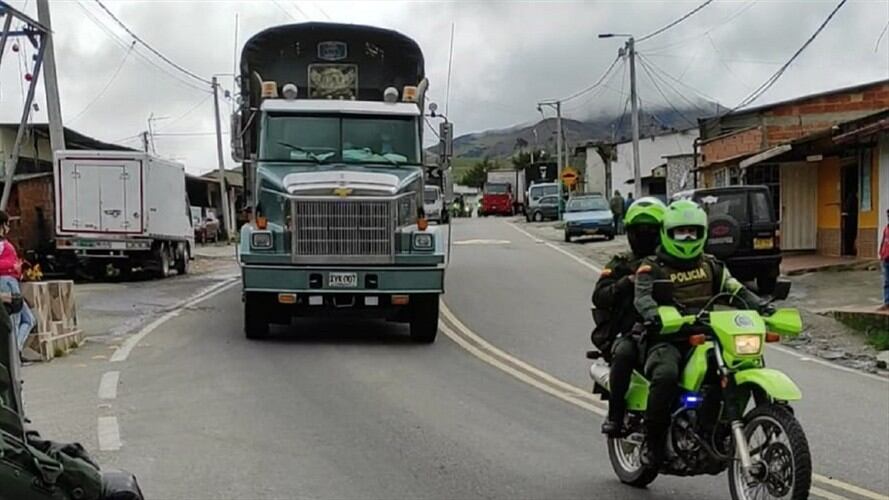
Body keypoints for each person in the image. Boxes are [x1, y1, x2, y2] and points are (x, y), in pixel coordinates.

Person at [633, 199, 768, 466]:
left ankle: (715, 428)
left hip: (707, 335)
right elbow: (643, 299)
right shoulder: (652, 267)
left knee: (733, 368)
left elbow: (735, 289)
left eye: (692, 232)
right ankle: (654, 442)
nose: (687, 238)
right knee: (666, 375)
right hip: (666, 338)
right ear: (667, 232)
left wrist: (763, 306)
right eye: (680, 232)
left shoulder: (712, 265)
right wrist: (656, 315)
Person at [592, 197, 666, 437]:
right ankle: (615, 414)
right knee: (623, 354)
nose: (645, 235)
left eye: (651, 230)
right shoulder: (619, 264)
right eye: (639, 230)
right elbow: (599, 296)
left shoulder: (672, 261)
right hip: (631, 331)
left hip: (671, 329)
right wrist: (624, 283)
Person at [0, 210, 34, 352]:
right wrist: (12, 266)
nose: (8, 228)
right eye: (7, 224)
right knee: (15, 320)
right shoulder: (1, 244)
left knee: (28, 319)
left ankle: (16, 349)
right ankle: (13, 351)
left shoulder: (3, 243)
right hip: (6, 281)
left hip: (11, 280)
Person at [880, 209, 889, 312]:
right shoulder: (886, 228)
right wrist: (881, 253)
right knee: (887, 282)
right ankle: (887, 303)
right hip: (886, 258)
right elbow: (883, 241)